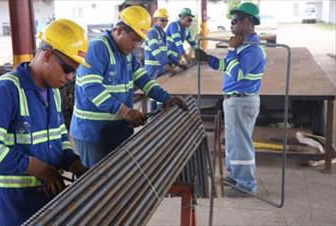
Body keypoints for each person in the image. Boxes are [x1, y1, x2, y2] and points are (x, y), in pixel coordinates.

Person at [0, 19, 89, 225]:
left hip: (43, 198)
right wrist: (40, 169)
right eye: (67, 69)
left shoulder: (54, 93)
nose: (71, 77)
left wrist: (72, 161)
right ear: (48, 55)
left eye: (75, 71)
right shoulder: (6, 90)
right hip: (11, 204)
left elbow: (59, 136)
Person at [70, 6, 187, 168]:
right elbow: (91, 88)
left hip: (119, 129)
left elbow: (144, 79)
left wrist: (166, 97)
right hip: (94, 134)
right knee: (97, 185)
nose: (136, 45)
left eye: (139, 41)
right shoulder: (97, 48)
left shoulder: (127, 55)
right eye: (133, 39)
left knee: (118, 182)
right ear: (119, 30)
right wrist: (126, 112)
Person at [195, 2, 266, 197]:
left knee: (241, 144)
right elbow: (226, 65)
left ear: (247, 22)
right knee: (234, 143)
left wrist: (231, 50)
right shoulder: (243, 46)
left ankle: (245, 185)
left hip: (242, 101)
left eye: (235, 22)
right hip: (236, 101)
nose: (231, 26)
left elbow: (236, 74)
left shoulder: (252, 49)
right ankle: (235, 178)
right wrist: (207, 58)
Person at [144, 8, 176, 78]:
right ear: (155, 20)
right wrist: (165, 65)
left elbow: (167, 51)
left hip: (160, 69)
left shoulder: (163, 33)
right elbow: (155, 50)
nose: (165, 22)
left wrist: (177, 62)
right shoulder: (152, 32)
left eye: (166, 20)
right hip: (152, 70)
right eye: (162, 20)